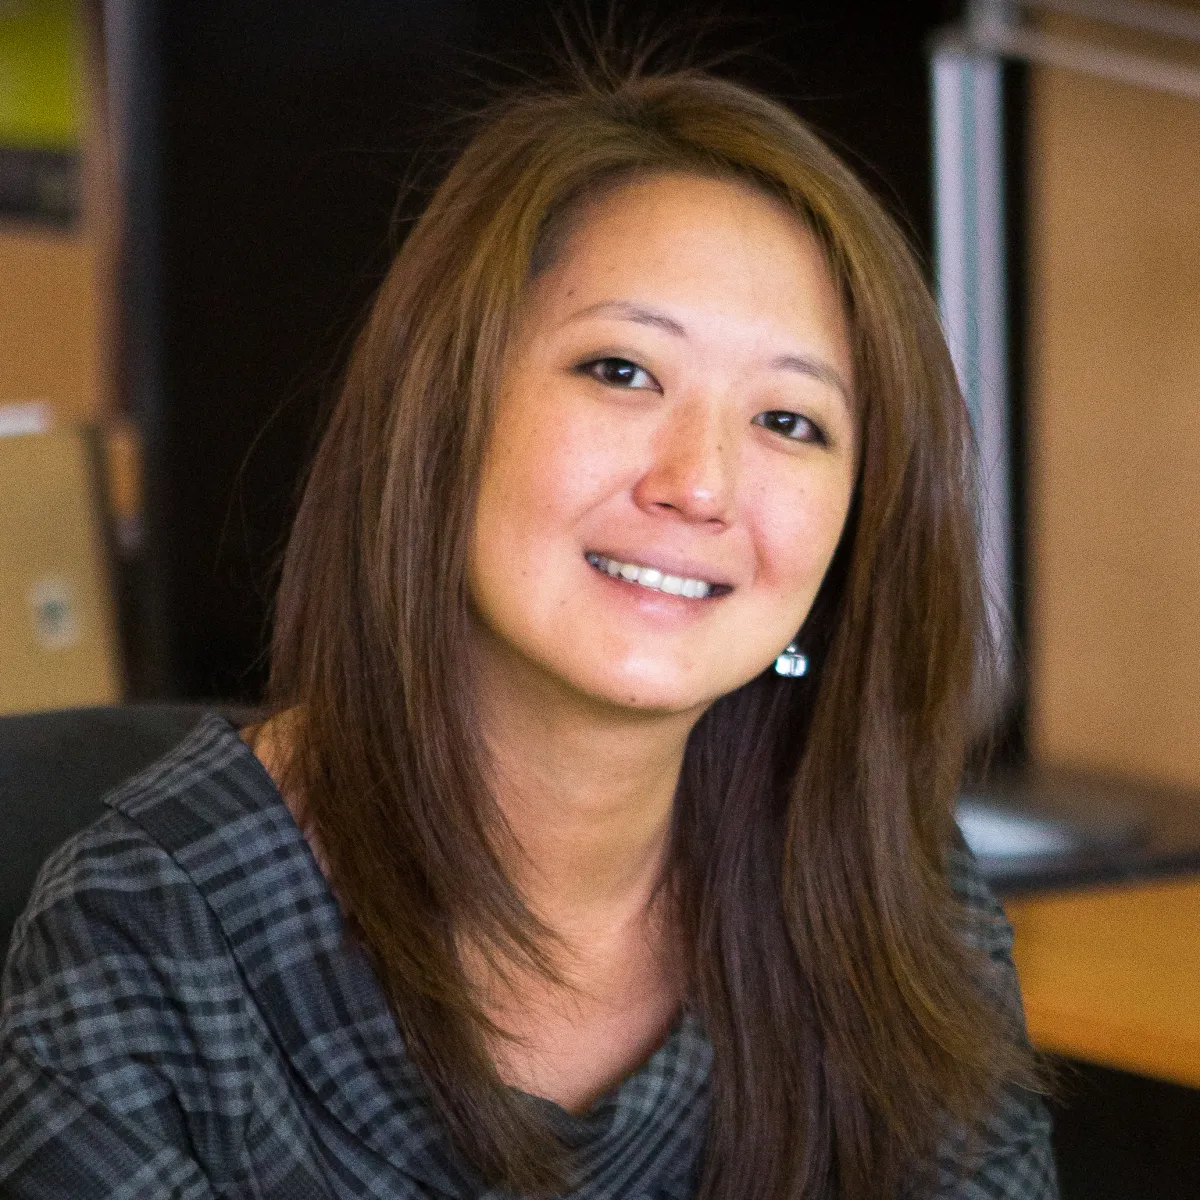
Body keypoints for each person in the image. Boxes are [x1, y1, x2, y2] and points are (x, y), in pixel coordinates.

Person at [0, 65, 1057, 1200]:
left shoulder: (883, 882)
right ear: (443, 412)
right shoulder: (146, 940)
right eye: (622, 371)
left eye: (790, 421)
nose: (700, 483)